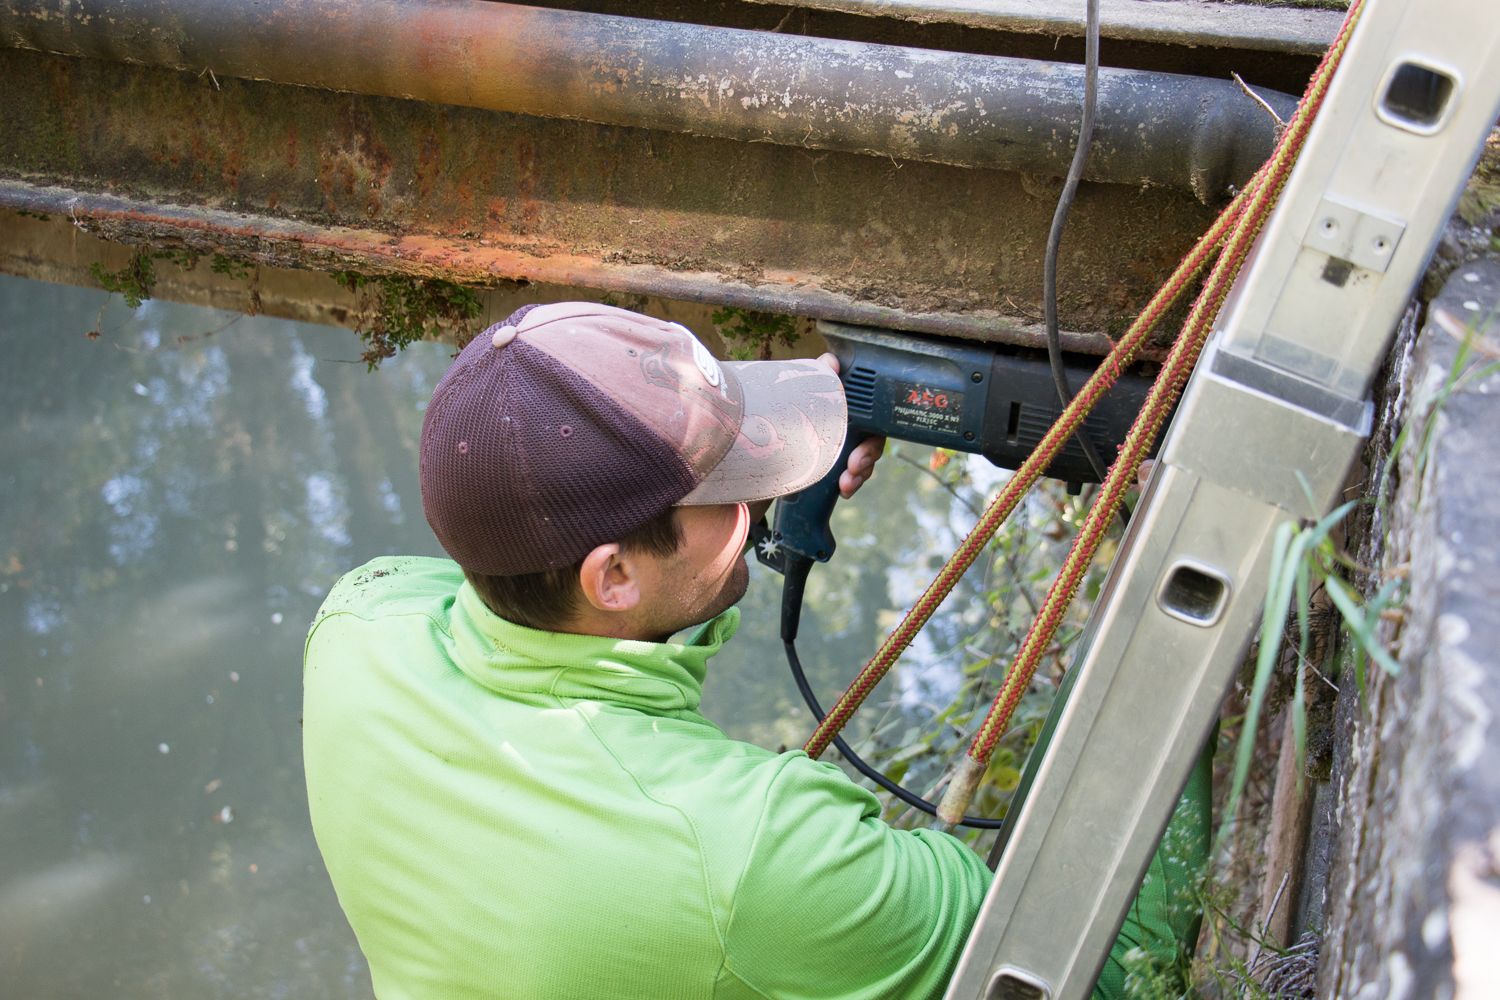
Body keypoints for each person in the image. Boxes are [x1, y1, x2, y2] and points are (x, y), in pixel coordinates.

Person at [302, 301, 1207, 1000]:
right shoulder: (751, 854)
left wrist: (779, 426)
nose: (762, 501)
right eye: (732, 487)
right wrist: (1148, 634)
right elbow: (1047, 945)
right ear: (611, 577)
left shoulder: (357, 625)